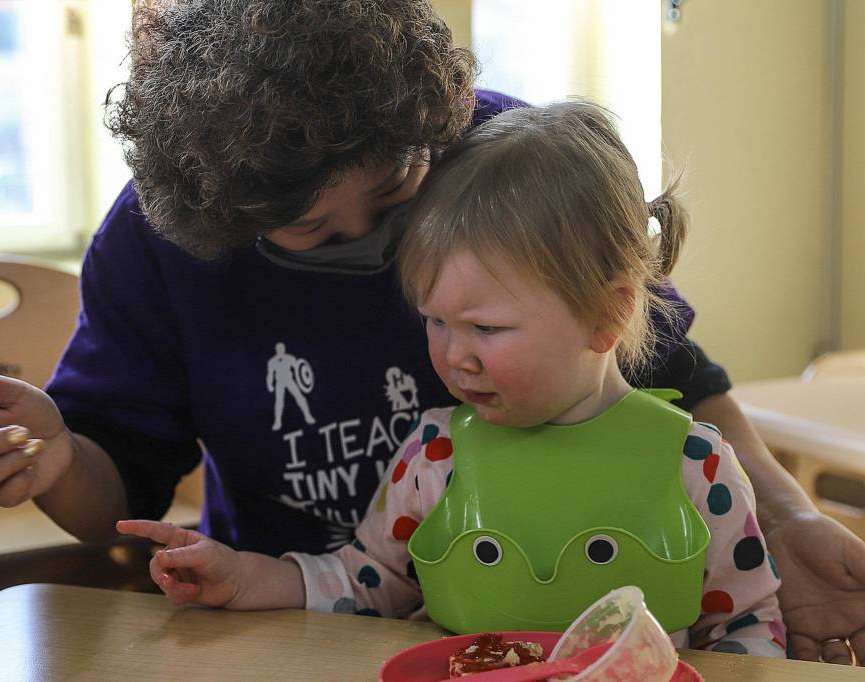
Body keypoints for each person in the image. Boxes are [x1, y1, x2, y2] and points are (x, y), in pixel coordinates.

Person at [0, 0, 865, 664]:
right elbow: (118, 485)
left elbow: (670, 371)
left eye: (398, 191)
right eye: (312, 231)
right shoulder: (161, 237)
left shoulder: (502, 164)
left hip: (548, 623)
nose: (376, 246)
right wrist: (54, 462)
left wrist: (783, 523)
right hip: (295, 616)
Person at [117, 102, 786, 656]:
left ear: (607, 314)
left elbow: (749, 625)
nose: (452, 356)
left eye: (485, 330)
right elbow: (366, 581)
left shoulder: (695, 466)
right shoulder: (434, 456)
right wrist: (245, 576)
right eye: (435, 322)